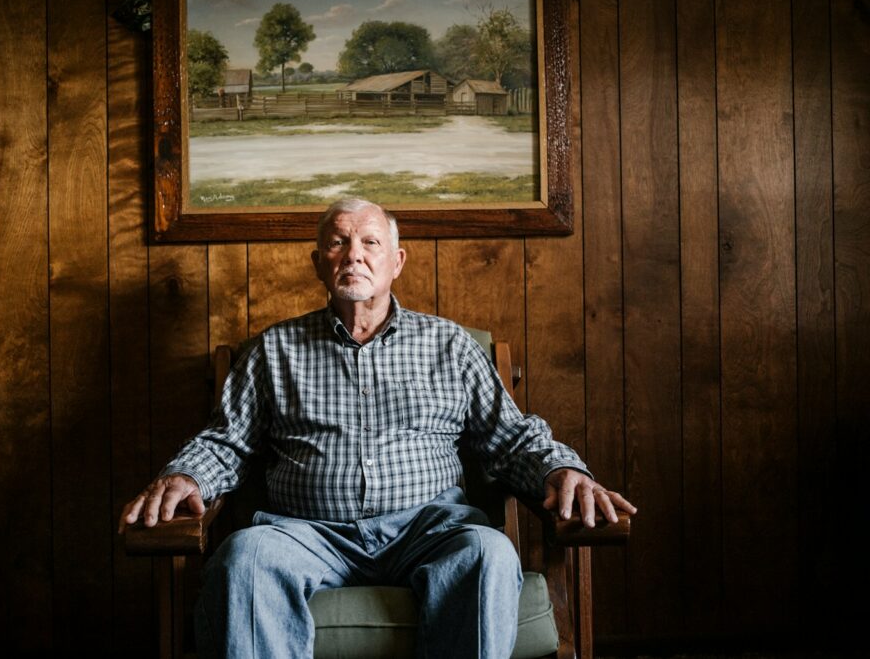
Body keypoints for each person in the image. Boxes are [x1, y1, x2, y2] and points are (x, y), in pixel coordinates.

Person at [120, 198, 637, 658]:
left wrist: (562, 468)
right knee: (245, 558)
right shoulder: (272, 350)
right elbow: (226, 441)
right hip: (307, 533)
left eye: (370, 242)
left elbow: (510, 437)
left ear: (396, 261)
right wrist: (186, 476)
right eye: (338, 243)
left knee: (486, 551)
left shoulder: (451, 347)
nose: (353, 255)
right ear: (318, 263)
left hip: (427, 527)